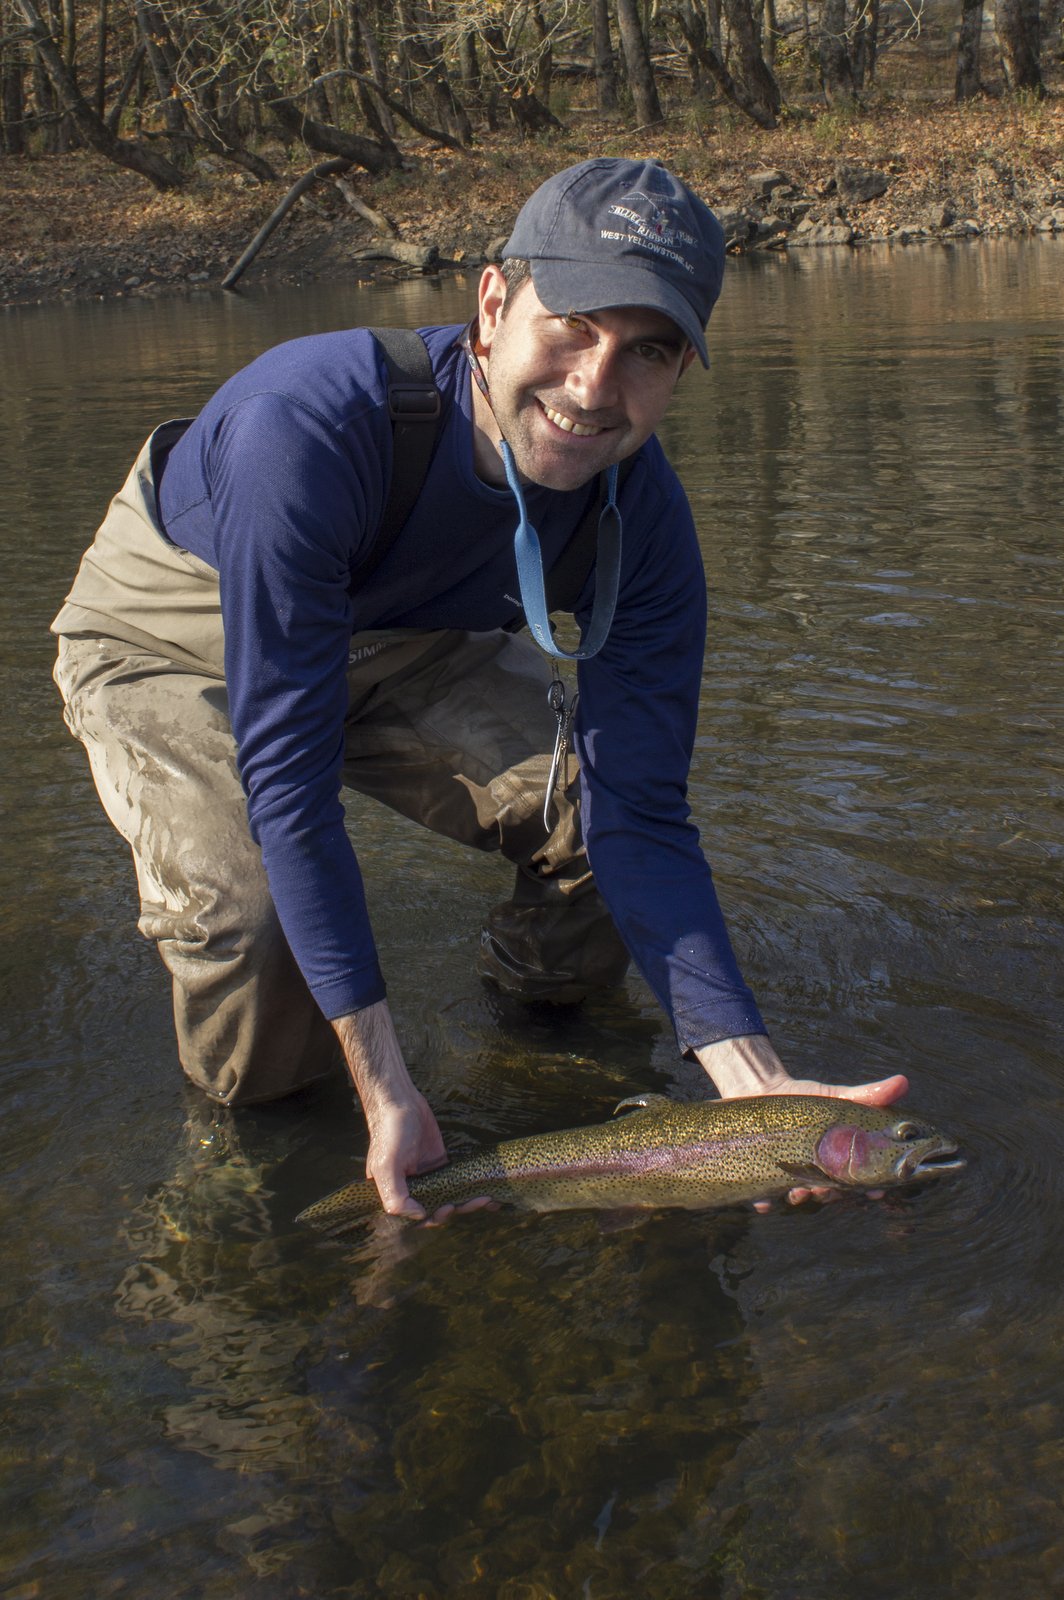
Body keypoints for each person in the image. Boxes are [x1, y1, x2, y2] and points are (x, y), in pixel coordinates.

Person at [52, 158, 906, 1218]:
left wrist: (754, 1086)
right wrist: (385, 1081)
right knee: (253, 913)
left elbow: (642, 809)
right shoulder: (305, 427)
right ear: (492, 304)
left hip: (411, 637)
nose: (594, 389)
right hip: (176, 641)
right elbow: (289, 784)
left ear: (683, 367)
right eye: (574, 326)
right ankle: (261, 1158)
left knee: (589, 830)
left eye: (647, 350)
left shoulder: (644, 528)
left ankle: (545, 1033)